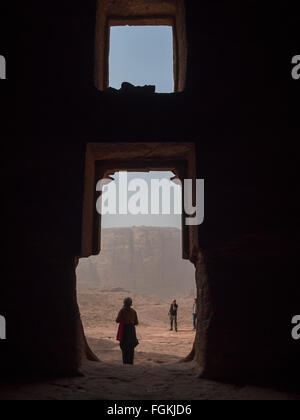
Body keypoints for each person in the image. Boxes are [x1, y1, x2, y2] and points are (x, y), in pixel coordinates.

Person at [116, 297, 139, 365]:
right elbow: (136, 322)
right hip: (131, 330)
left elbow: (117, 320)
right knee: (131, 347)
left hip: (124, 330)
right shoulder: (134, 311)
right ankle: (130, 362)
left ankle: (125, 363)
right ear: (131, 304)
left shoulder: (122, 311)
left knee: (124, 346)